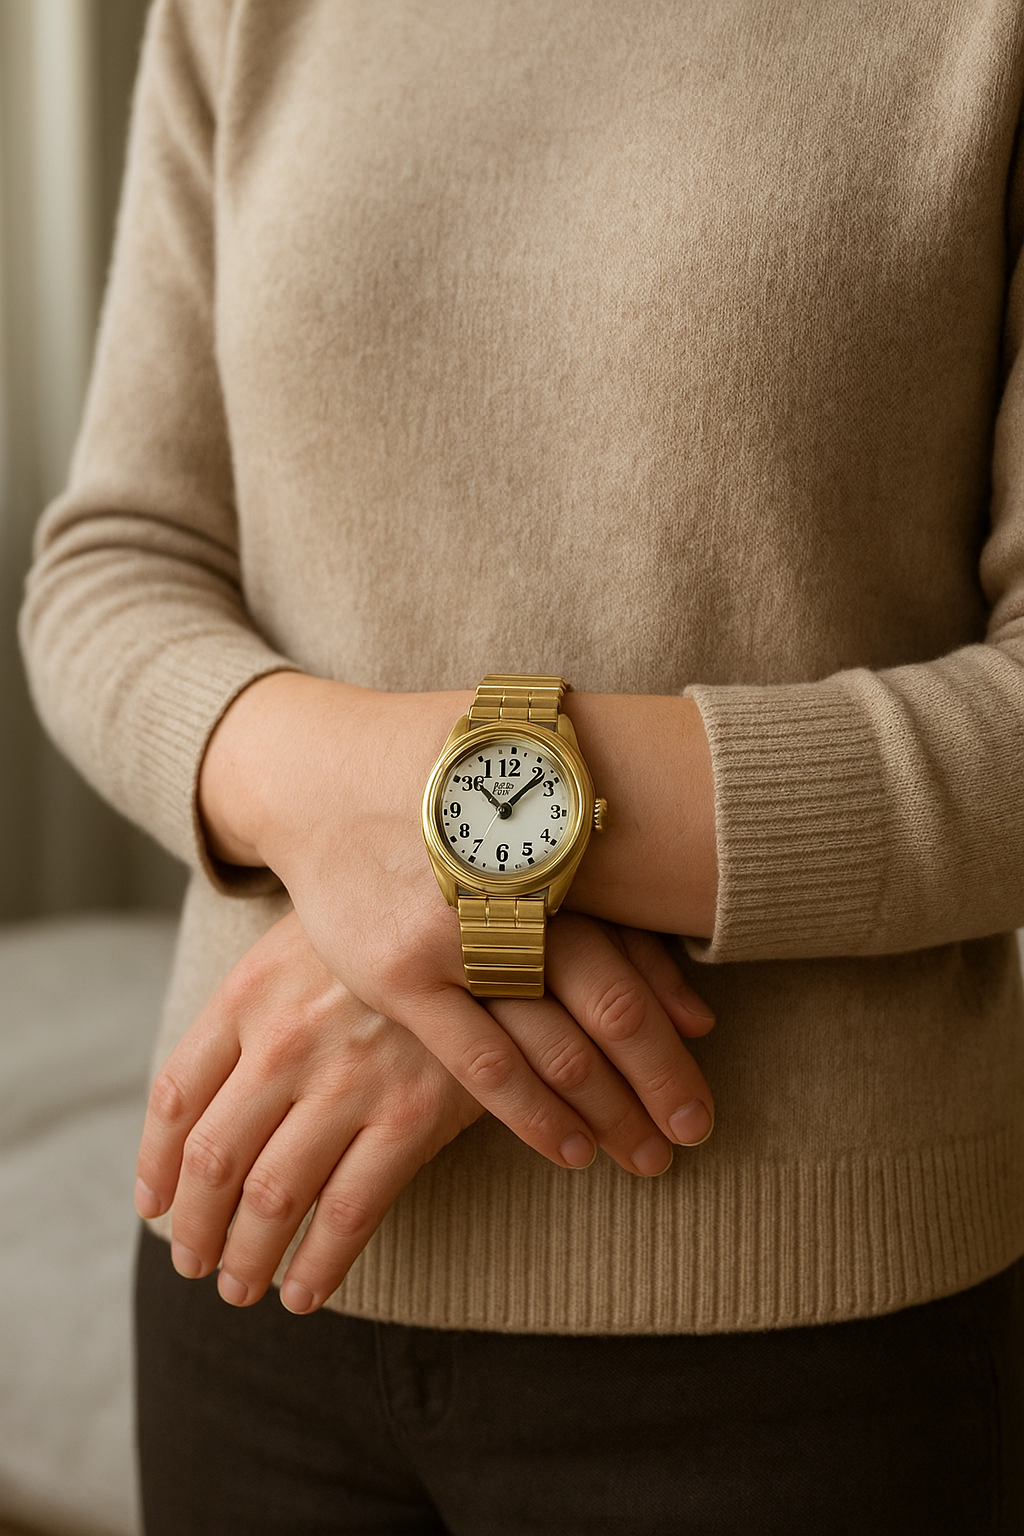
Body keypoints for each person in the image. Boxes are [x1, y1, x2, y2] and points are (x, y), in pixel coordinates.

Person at [19, 1, 1024, 1530]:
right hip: (257, 1251)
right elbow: (113, 558)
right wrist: (384, 824)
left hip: (803, 1344)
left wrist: (464, 858)